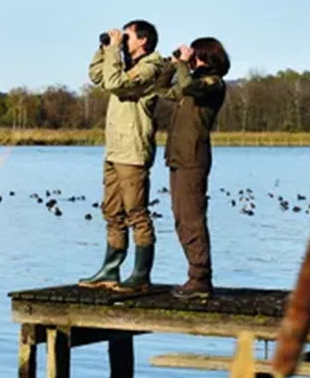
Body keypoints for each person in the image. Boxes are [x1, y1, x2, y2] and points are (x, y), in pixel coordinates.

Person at [78, 20, 165, 293]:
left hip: (133, 151)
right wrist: (105, 48)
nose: (122, 41)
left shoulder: (152, 67)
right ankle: (110, 269)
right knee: (112, 212)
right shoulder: (123, 63)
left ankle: (141, 275)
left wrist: (115, 51)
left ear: (143, 40)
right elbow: (97, 76)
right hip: (115, 149)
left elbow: (116, 83)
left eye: (127, 37)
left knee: (136, 214)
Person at [161, 37, 229, 299]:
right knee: (181, 218)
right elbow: (161, 90)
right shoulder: (192, 84)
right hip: (179, 157)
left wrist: (183, 66)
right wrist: (173, 65)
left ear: (206, 57)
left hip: (193, 158)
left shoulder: (213, 83)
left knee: (192, 218)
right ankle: (196, 276)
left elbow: (189, 85)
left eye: (195, 54)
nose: (191, 59)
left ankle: (200, 278)